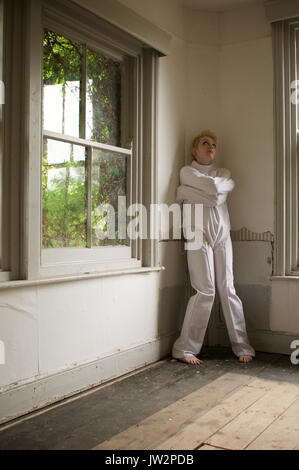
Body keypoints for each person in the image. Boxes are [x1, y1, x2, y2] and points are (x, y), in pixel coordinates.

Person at [172, 130, 255, 365]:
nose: (211, 147)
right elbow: (214, 193)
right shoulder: (186, 171)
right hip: (198, 235)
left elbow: (216, 197)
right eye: (205, 143)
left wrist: (185, 193)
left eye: (214, 144)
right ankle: (185, 348)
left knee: (227, 288)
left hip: (222, 236)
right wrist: (212, 191)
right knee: (205, 290)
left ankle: (242, 346)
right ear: (194, 150)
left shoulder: (223, 173)